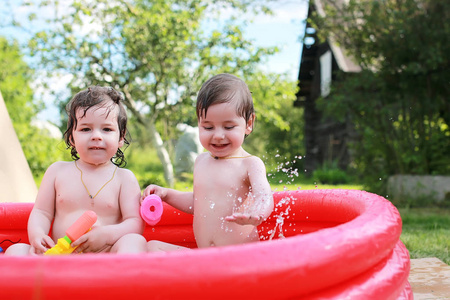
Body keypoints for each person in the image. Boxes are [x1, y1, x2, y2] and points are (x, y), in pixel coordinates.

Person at [5, 86, 146, 255]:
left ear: (121, 137)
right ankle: (43, 279)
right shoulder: (57, 172)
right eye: (86, 129)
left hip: (106, 257)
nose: (96, 136)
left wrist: (108, 235)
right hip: (61, 256)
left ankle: (117, 280)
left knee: (135, 241)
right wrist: (38, 235)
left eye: (106, 129)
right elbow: (41, 212)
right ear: (71, 137)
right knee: (15, 250)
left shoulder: (124, 178)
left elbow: (135, 222)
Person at [142, 73, 274, 251]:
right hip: (204, 259)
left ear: (248, 123)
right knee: (152, 247)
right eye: (208, 127)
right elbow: (198, 203)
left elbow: (265, 196)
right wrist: (166, 194)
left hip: (240, 260)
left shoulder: (249, 164)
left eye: (228, 127)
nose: (218, 135)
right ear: (198, 123)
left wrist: (258, 212)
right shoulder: (201, 161)